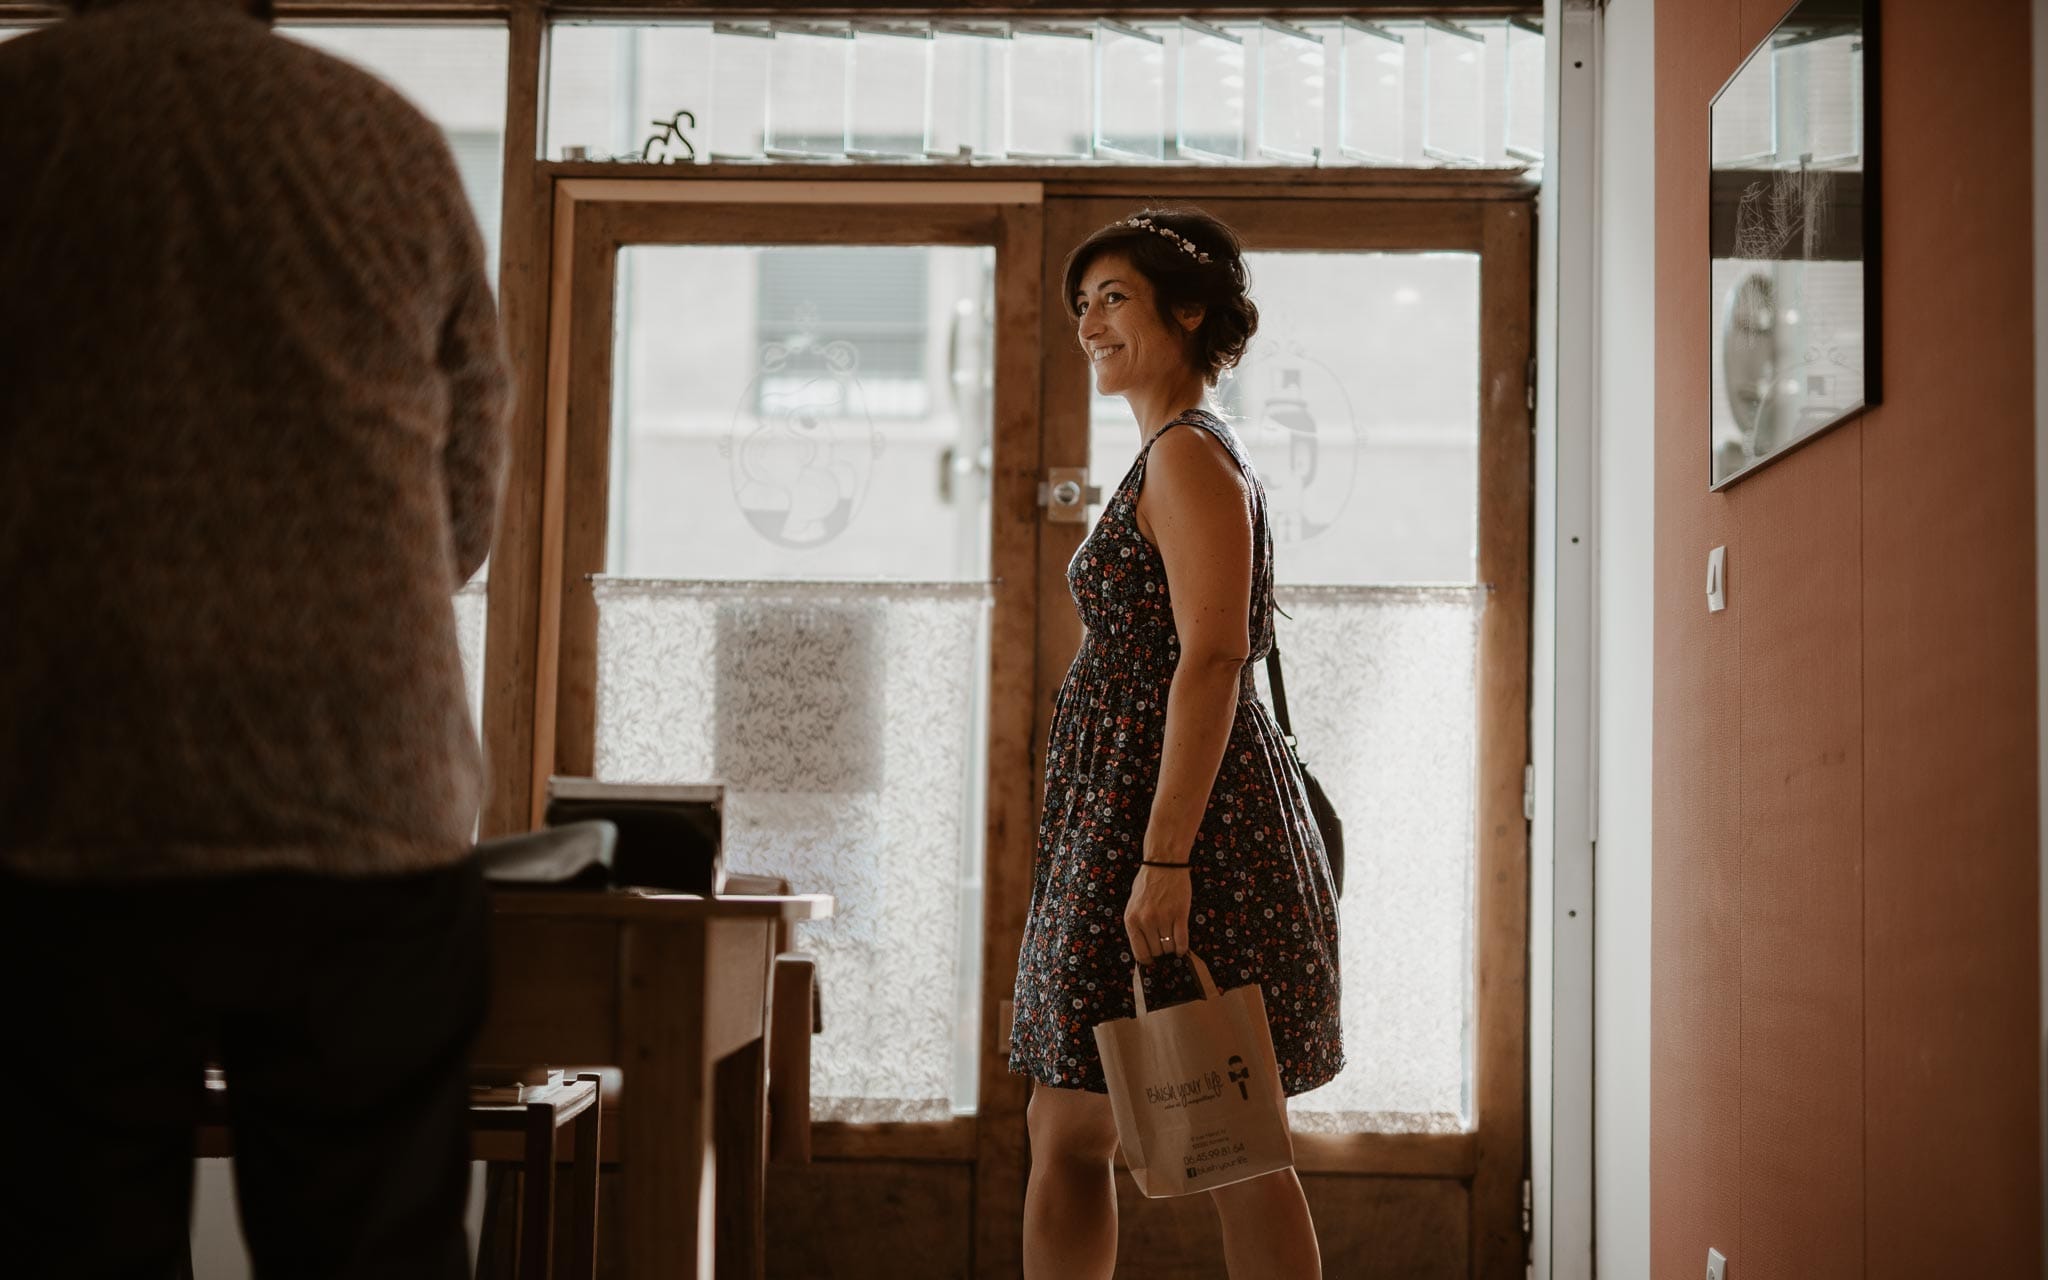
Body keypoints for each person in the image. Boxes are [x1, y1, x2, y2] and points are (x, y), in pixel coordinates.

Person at [0, 1, 511, 1276]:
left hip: (63, 777)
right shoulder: (382, 133)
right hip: (363, 782)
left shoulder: (19, 112)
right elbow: (460, 511)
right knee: (370, 1242)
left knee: (66, 1229)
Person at [1008, 208, 1342, 1278]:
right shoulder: (1169, 452)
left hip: (1169, 829)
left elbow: (1210, 659)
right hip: (1128, 820)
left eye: (1113, 297)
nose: (1089, 323)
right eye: (1081, 305)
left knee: (1226, 1131)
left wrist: (1161, 861)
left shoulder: (1189, 454)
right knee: (1076, 1129)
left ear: (1187, 311)